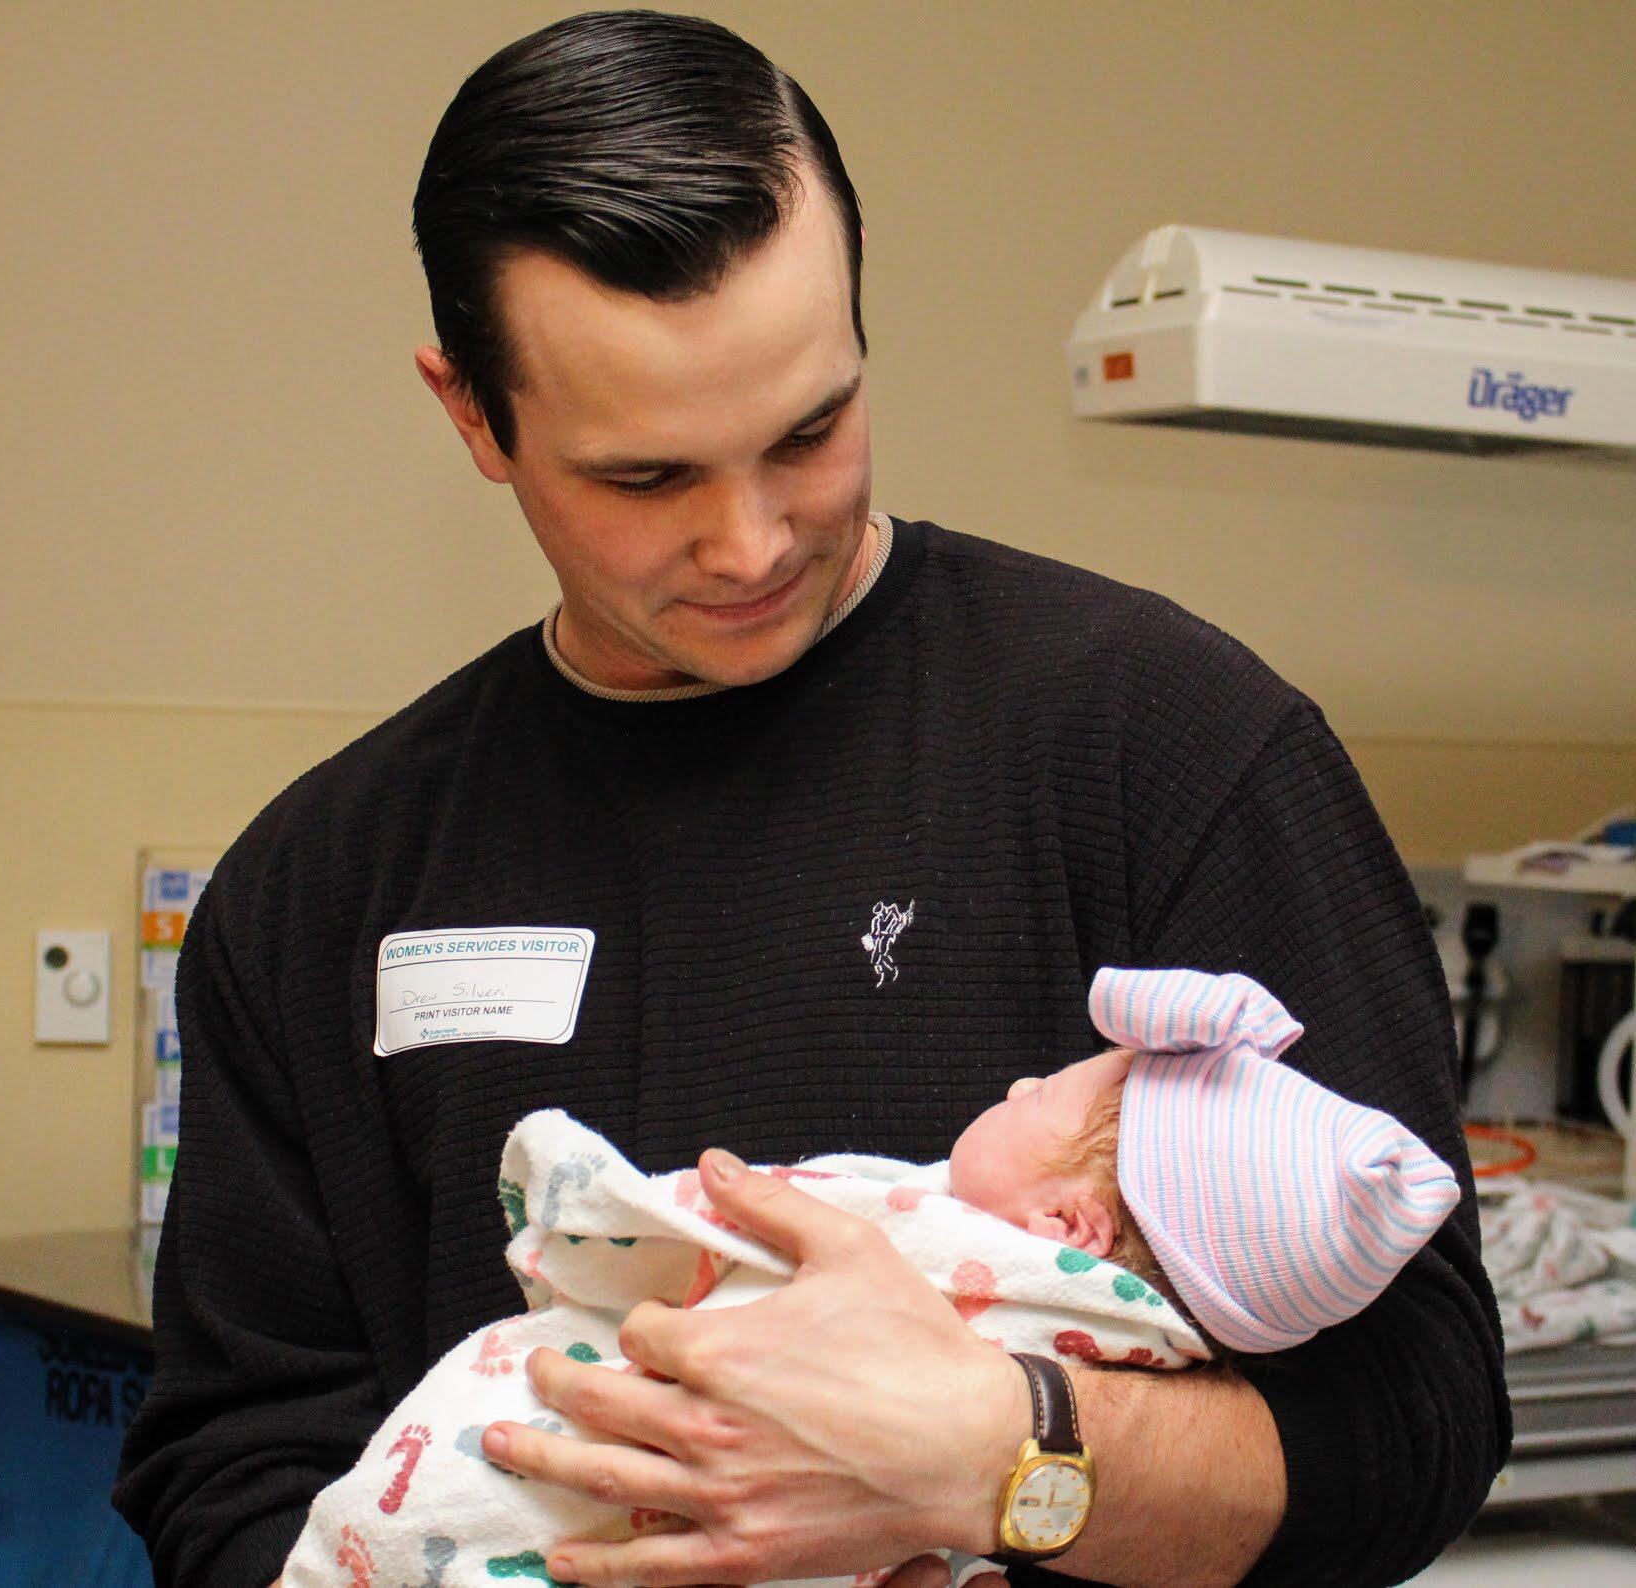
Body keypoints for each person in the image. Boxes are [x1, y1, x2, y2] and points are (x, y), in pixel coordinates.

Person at [113, 12, 1510, 1588]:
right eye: (645, 478)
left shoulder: (1161, 746)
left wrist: (998, 1458)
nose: (752, 542)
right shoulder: (326, 880)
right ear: (471, 415)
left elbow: (1418, 1424)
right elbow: (230, 1467)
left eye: (809, 431)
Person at [273, 967, 1463, 1588]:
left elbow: (666, 1242)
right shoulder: (332, 853)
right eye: (644, 479)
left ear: (1068, 1223)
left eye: (1042, 1097)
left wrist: (579, 1197)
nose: (1009, 1090)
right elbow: (234, 1435)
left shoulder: (942, 1243)